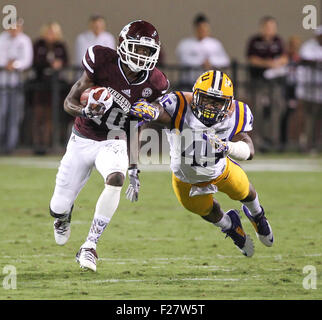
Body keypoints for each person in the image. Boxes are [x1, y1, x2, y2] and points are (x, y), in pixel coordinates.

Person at [49, 20, 169, 272]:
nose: (142, 55)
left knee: (116, 178)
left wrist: (134, 166)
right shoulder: (101, 61)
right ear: (123, 45)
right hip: (83, 138)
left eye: (148, 51)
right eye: (138, 48)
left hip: (115, 139)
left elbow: (139, 126)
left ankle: (90, 245)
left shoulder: (155, 83)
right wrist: (85, 110)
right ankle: (63, 216)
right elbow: (68, 102)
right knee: (57, 206)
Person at [130, 70, 274, 257]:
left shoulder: (236, 113)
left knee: (244, 191)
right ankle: (230, 226)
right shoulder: (180, 104)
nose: (211, 107)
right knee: (206, 211)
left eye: (217, 102)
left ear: (228, 103)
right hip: (185, 179)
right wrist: (152, 111)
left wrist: (228, 147)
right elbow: (159, 111)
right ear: (196, 96)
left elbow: (249, 150)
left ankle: (257, 215)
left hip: (220, 170)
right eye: (205, 99)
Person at [246, 16, 288, 151]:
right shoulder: (255, 41)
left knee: (278, 107)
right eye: (267, 27)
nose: (269, 30)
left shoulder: (278, 41)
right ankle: (258, 141)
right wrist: (268, 64)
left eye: (271, 27)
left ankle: (274, 140)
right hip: (258, 82)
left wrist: (276, 64)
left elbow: (284, 58)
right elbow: (252, 59)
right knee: (257, 110)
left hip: (274, 83)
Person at [32, 22, 69, 154]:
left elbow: (66, 61)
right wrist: (48, 63)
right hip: (40, 84)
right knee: (38, 114)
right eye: (49, 32)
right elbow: (35, 61)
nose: (51, 35)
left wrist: (59, 64)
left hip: (55, 85)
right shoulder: (38, 45)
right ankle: (37, 144)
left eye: (53, 32)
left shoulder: (60, 46)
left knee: (50, 115)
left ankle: (48, 144)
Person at [0, 18, 33, 153]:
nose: (14, 30)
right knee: (1, 113)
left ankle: (10, 146)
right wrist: (5, 64)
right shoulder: (2, 38)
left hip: (16, 83)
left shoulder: (24, 40)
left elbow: (26, 60)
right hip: (2, 84)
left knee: (15, 115)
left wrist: (14, 65)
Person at [175, 13, 230, 90]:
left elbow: (225, 60)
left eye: (205, 28)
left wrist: (211, 62)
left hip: (210, 84)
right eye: (200, 28)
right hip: (190, 82)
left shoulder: (215, 44)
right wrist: (201, 62)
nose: (203, 30)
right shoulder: (185, 44)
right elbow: (183, 59)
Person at [296, 25, 322, 152]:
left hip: (319, 91)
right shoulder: (309, 46)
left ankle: (317, 145)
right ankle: (304, 144)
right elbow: (305, 60)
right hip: (307, 89)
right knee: (306, 117)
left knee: (318, 120)